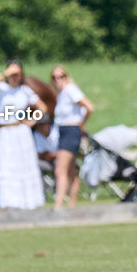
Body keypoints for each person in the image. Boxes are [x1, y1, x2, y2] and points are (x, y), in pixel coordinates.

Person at [0, 60, 47, 209]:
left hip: (21, 130)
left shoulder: (25, 91)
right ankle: (9, 202)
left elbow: (42, 107)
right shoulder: (1, 88)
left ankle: (29, 201)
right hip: (6, 131)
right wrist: (6, 73)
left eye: (17, 74)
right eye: (12, 74)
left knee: (25, 164)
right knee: (6, 164)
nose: (14, 76)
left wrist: (33, 120)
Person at [50, 65, 94, 209]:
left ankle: (59, 203)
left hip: (71, 130)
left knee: (60, 170)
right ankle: (72, 204)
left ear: (66, 77)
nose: (58, 80)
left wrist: (81, 123)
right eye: (55, 77)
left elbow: (89, 106)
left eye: (61, 76)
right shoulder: (61, 94)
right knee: (70, 171)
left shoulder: (70, 90)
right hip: (64, 131)